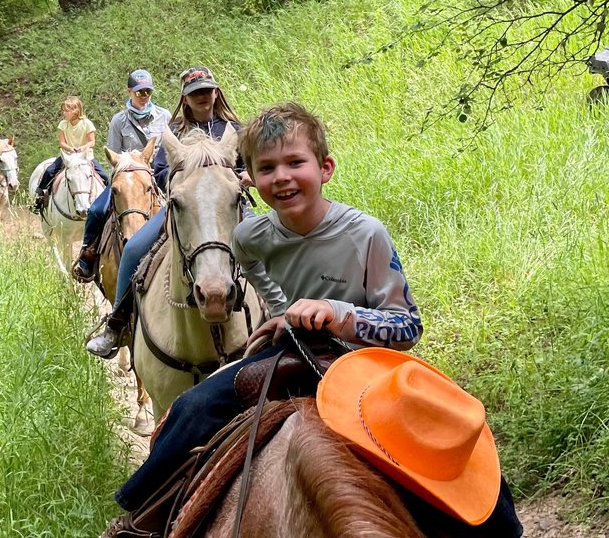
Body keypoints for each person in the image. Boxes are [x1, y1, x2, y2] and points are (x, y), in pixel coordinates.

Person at [102, 103, 521, 538]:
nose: (281, 176)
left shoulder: (365, 234)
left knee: (453, 420)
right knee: (193, 408)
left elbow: (407, 326)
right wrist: (283, 311)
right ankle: (139, 519)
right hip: (293, 352)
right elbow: (250, 263)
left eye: (295, 162)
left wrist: (338, 313)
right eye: (266, 168)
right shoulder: (250, 235)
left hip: (364, 359)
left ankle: (502, 527)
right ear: (253, 181)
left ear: (326, 168)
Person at [86, 65, 247, 358]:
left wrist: (245, 176)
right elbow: (159, 170)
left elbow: (252, 165)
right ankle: (116, 326)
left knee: (272, 242)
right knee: (134, 248)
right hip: (184, 209)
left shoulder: (233, 130)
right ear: (184, 98)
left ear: (216, 92)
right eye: (195, 93)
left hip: (230, 209)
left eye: (207, 91)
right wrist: (181, 182)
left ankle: (284, 314)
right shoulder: (174, 132)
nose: (202, 97)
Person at [70, 70, 170, 279]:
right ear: (129, 92)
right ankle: (87, 254)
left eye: (147, 92)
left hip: (156, 178)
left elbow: (169, 152)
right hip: (126, 178)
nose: (144, 96)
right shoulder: (119, 121)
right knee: (97, 210)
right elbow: (113, 154)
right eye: (139, 92)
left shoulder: (164, 116)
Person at [31, 96, 110, 214]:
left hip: (86, 157)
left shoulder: (87, 123)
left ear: (76, 111)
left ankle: (110, 201)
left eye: (67, 110)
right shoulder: (63, 124)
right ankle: (38, 200)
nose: (64, 113)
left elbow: (92, 142)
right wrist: (70, 149)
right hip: (68, 157)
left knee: (105, 177)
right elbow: (62, 143)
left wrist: (83, 147)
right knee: (49, 172)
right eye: (63, 110)